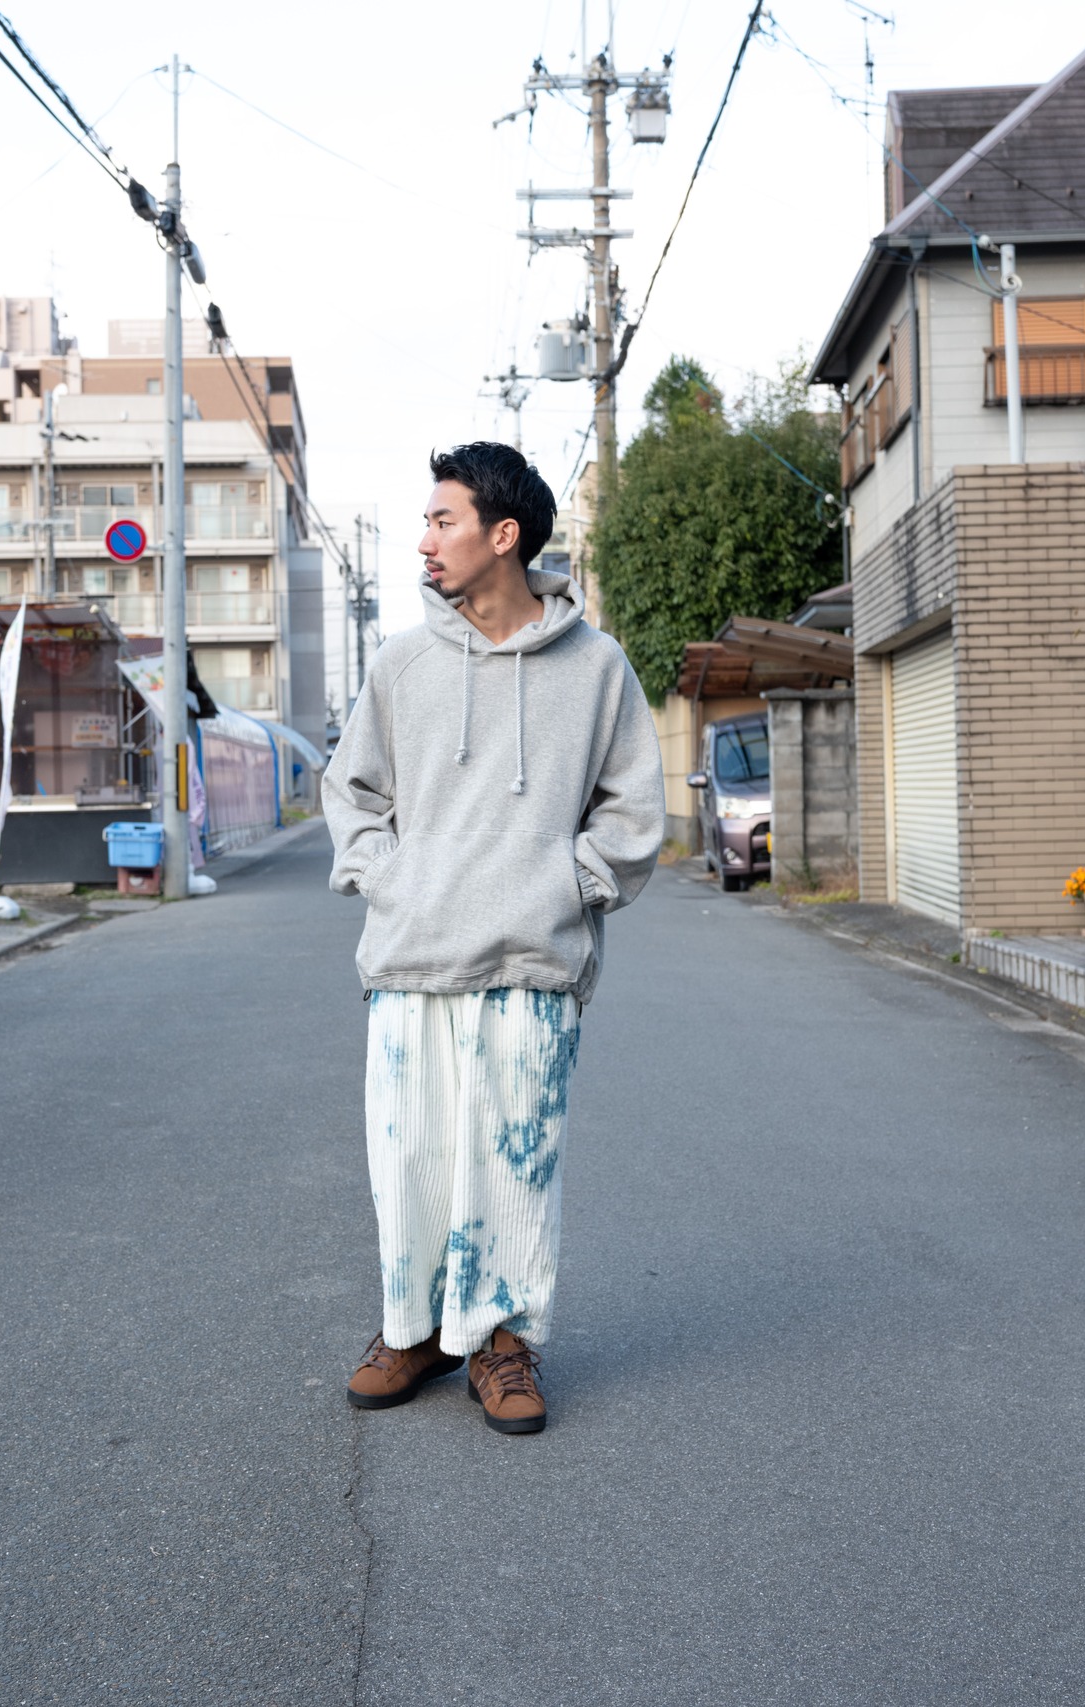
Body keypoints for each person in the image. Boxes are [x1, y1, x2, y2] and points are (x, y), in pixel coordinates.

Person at [322, 442, 664, 1434]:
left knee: (516, 1165)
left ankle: (502, 1341)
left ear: (502, 534)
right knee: (411, 1160)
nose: (424, 541)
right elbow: (352, 793)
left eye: (443, 521)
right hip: (412, 956)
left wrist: (566, 887)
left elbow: (631, 813)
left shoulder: (595, 668)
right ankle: (417, 1329)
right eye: (425, 521)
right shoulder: (401, 663)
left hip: (532, 958)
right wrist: (390, 881)